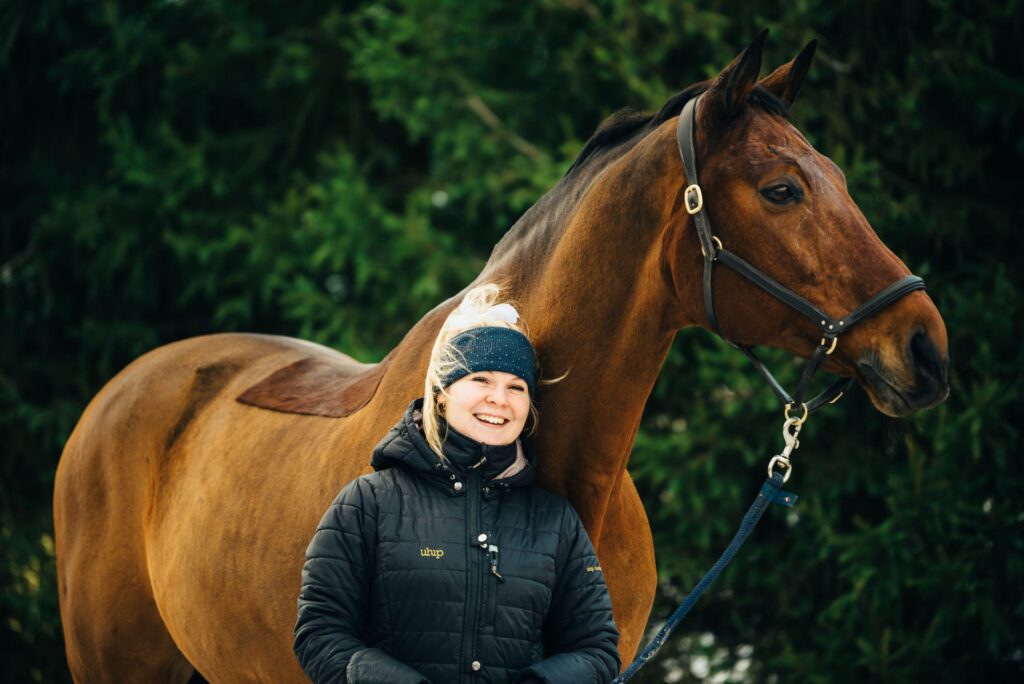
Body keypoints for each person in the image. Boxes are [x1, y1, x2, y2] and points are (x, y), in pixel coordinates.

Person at [293, 284, 621, 683]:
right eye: (480, 379)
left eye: (516, 387)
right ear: (442, 394)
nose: (499, 399)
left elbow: (597, 649)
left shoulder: (556, 522)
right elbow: (319, 635)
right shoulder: (367, 503)